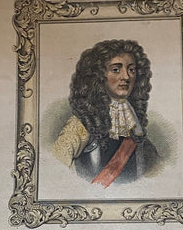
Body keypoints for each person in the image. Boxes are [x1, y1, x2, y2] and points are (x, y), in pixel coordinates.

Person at [52, 39, 158, 187]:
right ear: (99, 76)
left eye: (131, 70)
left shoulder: (134, 123)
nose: (126, 77)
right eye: (116, 70)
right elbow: (55, 169)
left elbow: (155, 173)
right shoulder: (82, 123)